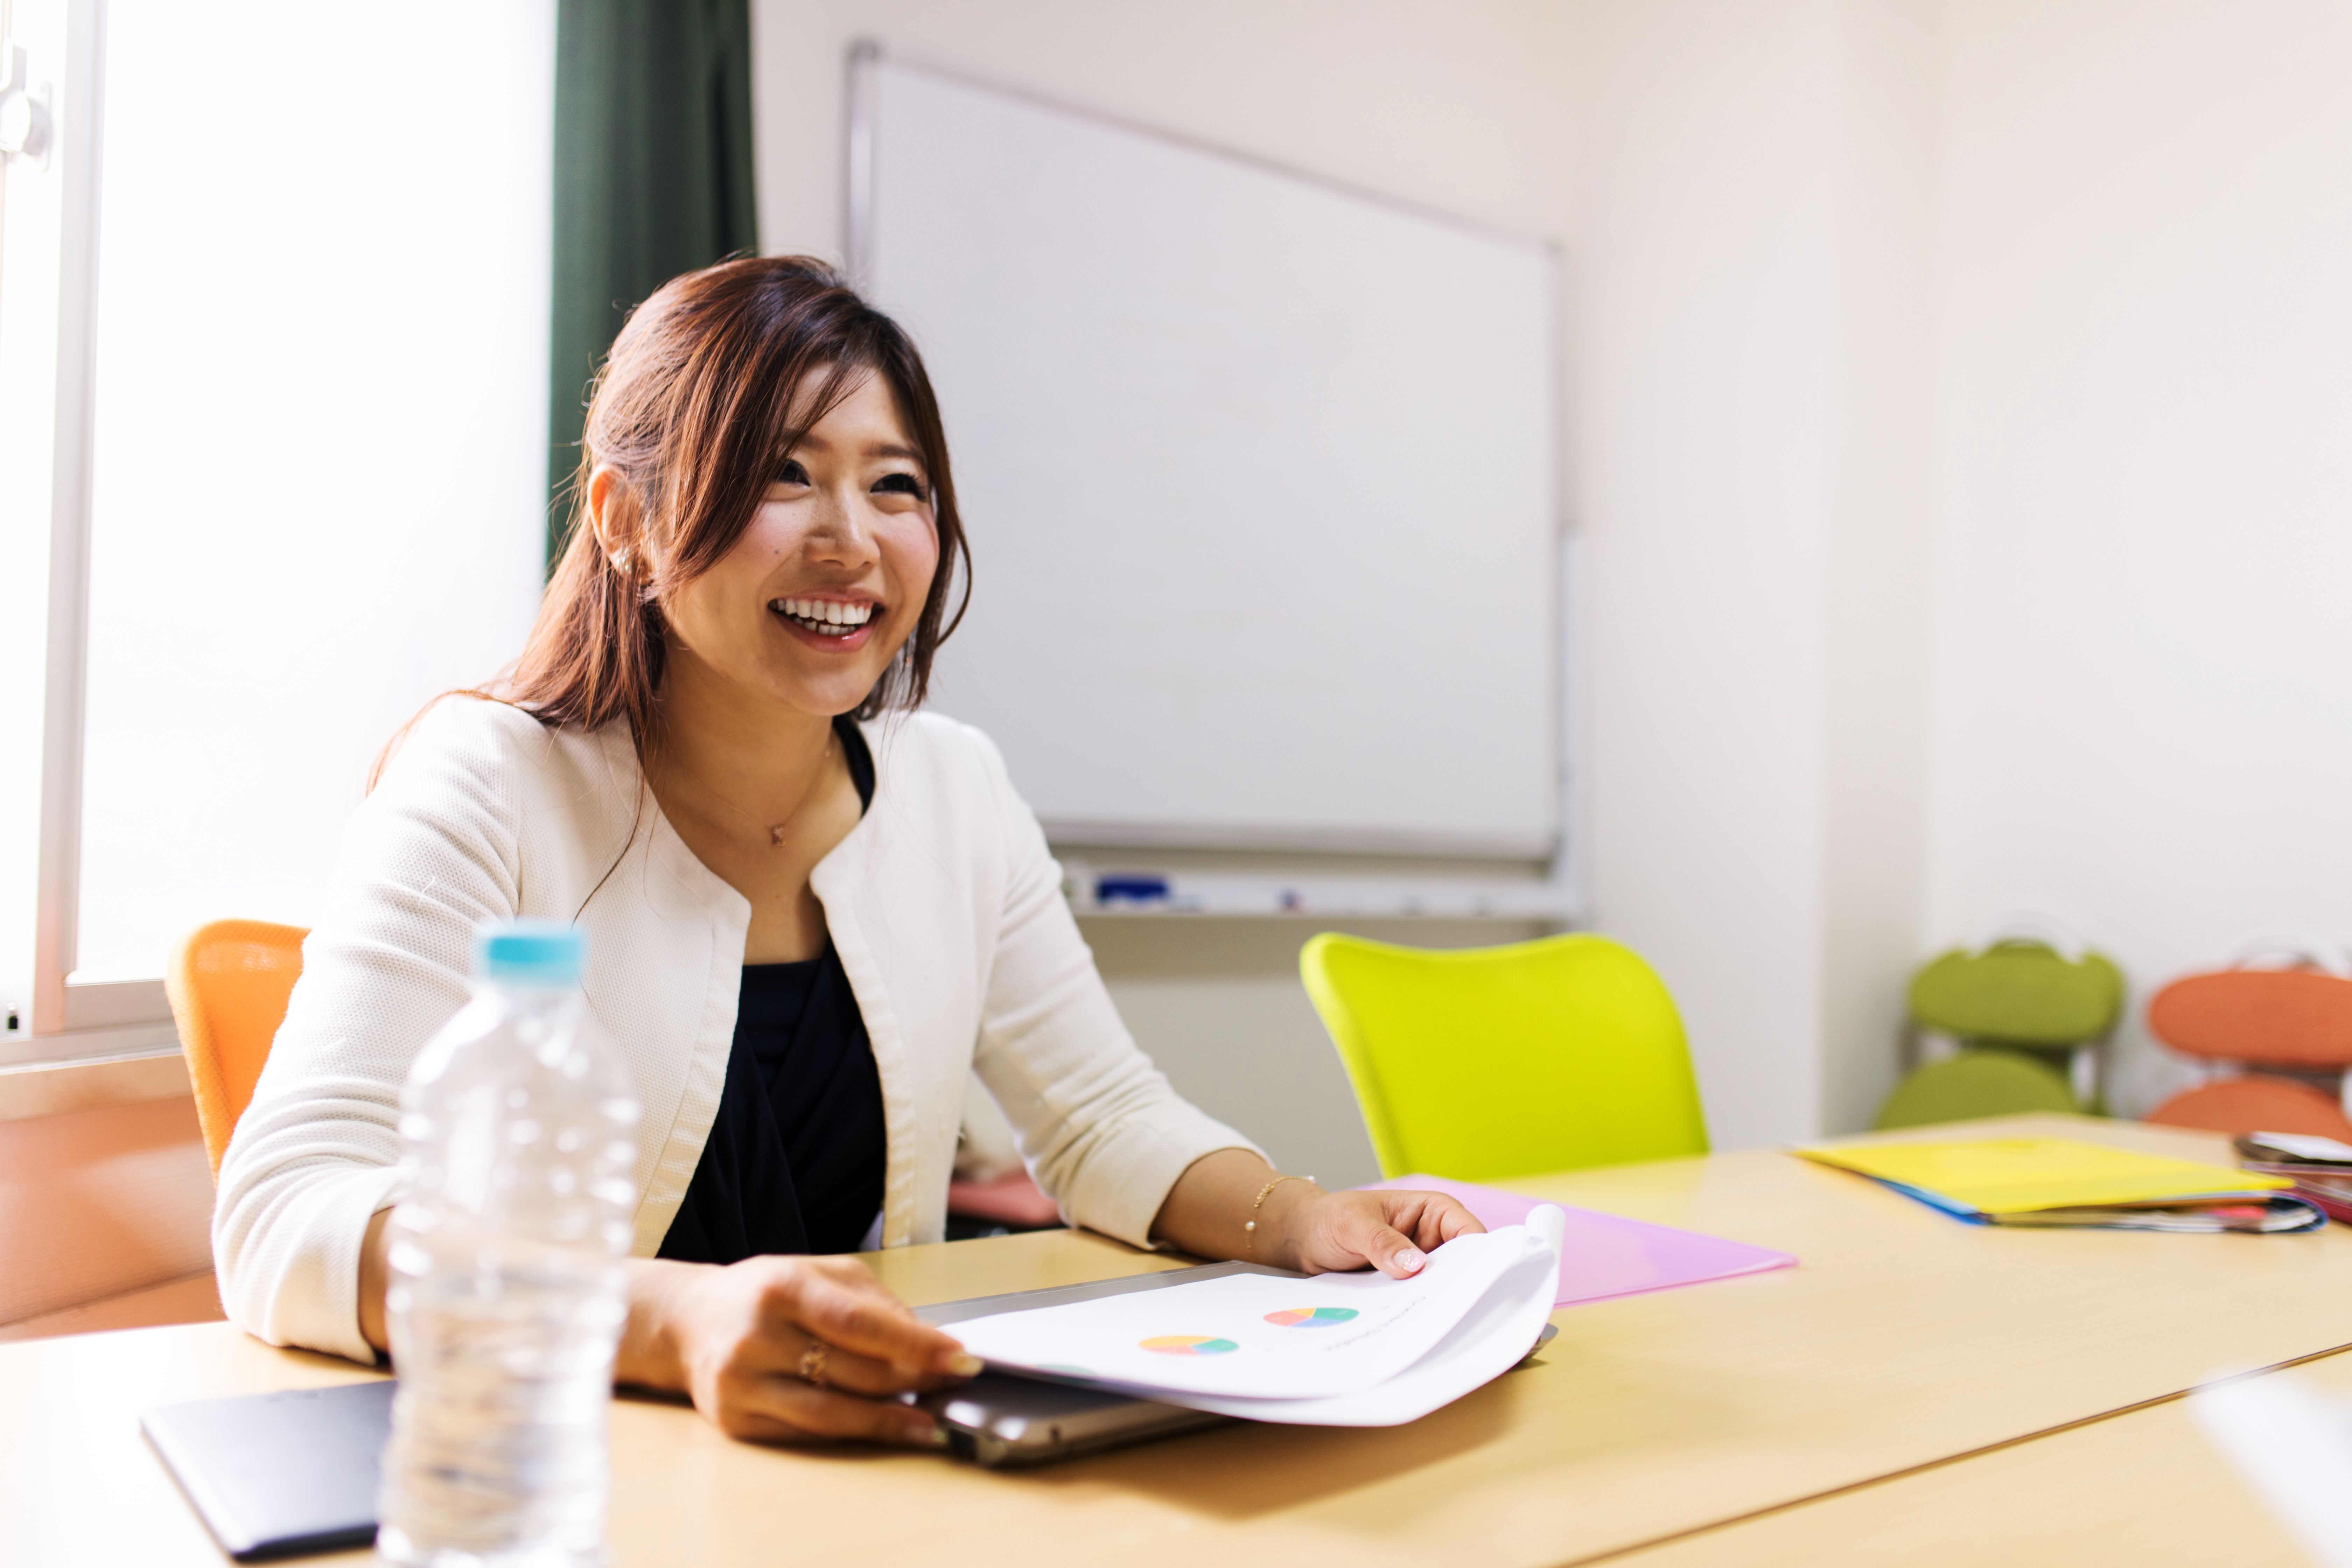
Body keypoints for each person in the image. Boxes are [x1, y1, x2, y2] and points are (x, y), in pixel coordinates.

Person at [213, 255, 1482, 1447]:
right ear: (625, 519)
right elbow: (286, 1211)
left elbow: (1101, 1116)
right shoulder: (486, 781)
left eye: (896, 484)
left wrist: (1300, 1215)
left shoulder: (955, 790)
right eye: (783, 474)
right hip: (566, 1456)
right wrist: (672, 1325)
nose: (854, 541)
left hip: (851, 1442)